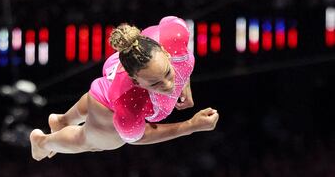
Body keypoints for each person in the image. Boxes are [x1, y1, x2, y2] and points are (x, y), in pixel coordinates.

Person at [30, 16, 219, 160]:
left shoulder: (175, 36)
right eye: (155, 84)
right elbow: (139, 137)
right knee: (91, 142)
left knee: (111, 94)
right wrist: (191, 126)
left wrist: (184, 83)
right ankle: (41, 142)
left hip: (127, 64)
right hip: (107, 101)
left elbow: (170, 20)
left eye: (168, 73)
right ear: (136, 81)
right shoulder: (129, 102)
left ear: (165, 52)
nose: (169, 86)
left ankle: (62, 120)